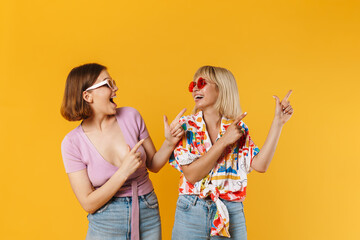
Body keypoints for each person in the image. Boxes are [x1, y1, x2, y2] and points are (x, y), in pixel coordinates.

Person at [60, 63, 185, 240]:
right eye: (107, 84)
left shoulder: (131, 116)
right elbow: (88, 203)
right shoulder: (72, 143)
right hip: (105, 218)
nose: (115, 88)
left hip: (147, 210)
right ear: (87, 96)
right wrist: (124, 172)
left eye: (113, 82)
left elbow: (154, 165)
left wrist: (170, 142)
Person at [169, 65, 294, 239]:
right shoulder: (186, 126)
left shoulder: (237, 128)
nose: (195, 88)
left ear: (222, 88)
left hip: (231, 212)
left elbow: (260, 165)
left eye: (202, 82)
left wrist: (278, 123)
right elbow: (191, 175)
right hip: (191, 210)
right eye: (193, 85)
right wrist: (223, 142)